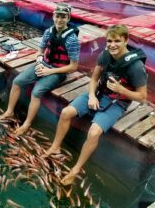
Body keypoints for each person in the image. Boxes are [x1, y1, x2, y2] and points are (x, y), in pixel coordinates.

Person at [46, 24, 148, 185]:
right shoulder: (104, 55)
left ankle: (76, 169)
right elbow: (94, 79)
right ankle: (55, 147)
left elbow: (142, 97)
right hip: (98, 93)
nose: (112, 45)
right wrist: (92, 96)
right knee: (66, 113)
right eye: (109, 41)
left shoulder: (136, 67)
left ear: (126, 40)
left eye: (117, 41)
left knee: (93, 132)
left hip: (118, 101)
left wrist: (122, 90)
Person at [0, 3, 80, 135]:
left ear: (68, 19)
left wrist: (50, 71)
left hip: (58, 72)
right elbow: (40, 50)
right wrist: (39, 60)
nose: (59, 20)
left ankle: (27, 124)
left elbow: (73, 66)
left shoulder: (72, 40)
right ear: (53, 16)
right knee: (17, 81)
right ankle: (9, 111)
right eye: (57, 16)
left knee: (36, 92)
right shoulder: (49, 32)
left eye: (63, 17)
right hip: (44, 65)